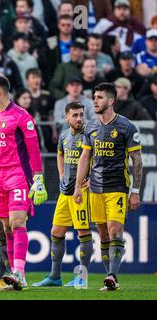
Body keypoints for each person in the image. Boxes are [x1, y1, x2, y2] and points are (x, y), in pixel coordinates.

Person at [74, 82, 143, 291]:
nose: (95, 100)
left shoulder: (127, 126)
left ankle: (113, 275)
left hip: (118, 188)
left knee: (115, 232)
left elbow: (137, 161)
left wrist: (136, 192)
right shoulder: (91, 127)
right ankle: (109, 279)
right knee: (103, 235)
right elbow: (84, 158)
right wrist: (78, 186)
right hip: (95, 189)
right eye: (94, 97)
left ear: (111, 101)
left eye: (100, 97)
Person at [0, 74, 47, 291]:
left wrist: (37, 178)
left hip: (18, 177)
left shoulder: (22, 117)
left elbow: (34, 149)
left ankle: (19, 272)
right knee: (7, 228)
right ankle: (14, 274)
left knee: (18, 222)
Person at [32, 102, 93, 288]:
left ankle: (81, 278)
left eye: (81, 115)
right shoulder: (64, 135)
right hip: (65, 192)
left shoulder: (89, 135)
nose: (79, 119)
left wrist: (92, 180)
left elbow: (100, 159)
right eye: (75, 115)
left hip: (82, 192)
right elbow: (60, 154)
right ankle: (54, 277)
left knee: (83, 232)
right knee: (56, 232)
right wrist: (61, 175)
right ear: (66, 117)